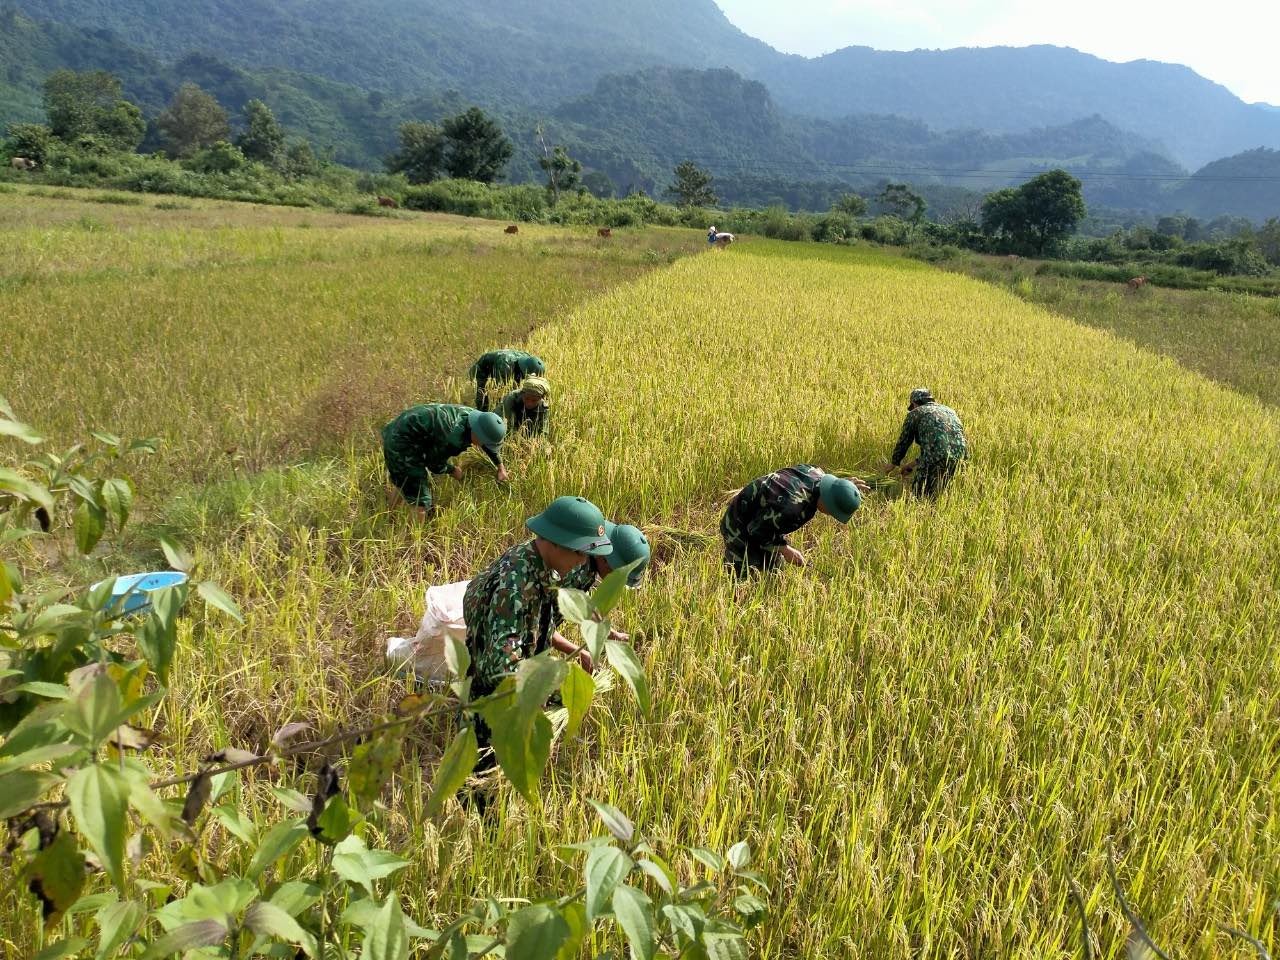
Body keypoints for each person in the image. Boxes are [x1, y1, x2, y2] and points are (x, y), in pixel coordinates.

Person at [720, 465, 862, 578]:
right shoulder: (791, 508)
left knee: (776, 573)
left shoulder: (816, 473)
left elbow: (834, 487)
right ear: (827, 500)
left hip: (765, 519)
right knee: (740, 576)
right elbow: (756, 530)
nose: (830, 514)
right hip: (740, 524)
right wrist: (786, 550)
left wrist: (845, 488)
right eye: (832, 511)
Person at [381, 403, 508, 513]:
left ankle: (389, 517)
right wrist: (453, 470)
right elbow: (434, 464)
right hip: (402, 442)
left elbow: (486, 441)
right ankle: (416, 539)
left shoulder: (474, 417)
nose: (484, 446)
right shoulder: (453, 437)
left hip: (405, 429)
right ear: (477, 434)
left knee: (403, 482)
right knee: (421, 499)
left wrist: (500, 466)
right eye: (484, 442)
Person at [890, 388, 969, 499]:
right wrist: (912, 465)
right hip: (962, 457)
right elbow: (941, 447)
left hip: (935, 457)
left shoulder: (915, 413)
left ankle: (924, 512)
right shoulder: (950, 411)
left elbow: (904, 441)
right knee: (945, 492)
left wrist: (894, 463)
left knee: (920, 494)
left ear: (914, 403)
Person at [470, 349, 546, 411]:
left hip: (503, 367)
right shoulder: (505, 366)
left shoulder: (528, 360)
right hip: (481, 370)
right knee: (482, 394)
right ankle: (483, 415)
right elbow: (500, 390)